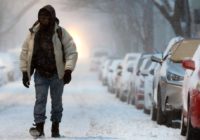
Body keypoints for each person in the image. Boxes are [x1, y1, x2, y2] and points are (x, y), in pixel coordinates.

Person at [20, 5, 78, 138]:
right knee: (40, 100)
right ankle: (39, 128)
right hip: (40, 73)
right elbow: (25, 53)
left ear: (52, 17)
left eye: (46, 17)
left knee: (56, 101)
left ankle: (55, 127)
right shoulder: (32, 33)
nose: (43, 19)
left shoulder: (61, 33)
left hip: (57, 74)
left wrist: (68, 70)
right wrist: (25, 72)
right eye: (41, 17)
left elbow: (71, 52)